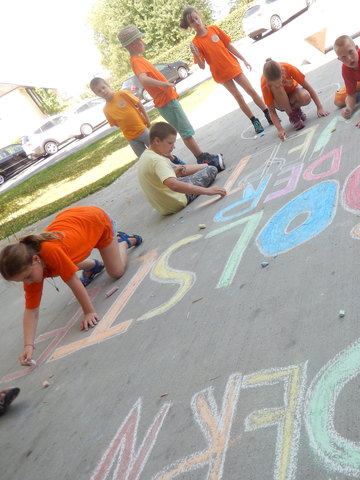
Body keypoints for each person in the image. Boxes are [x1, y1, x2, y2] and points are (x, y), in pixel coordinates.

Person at [0, 206, 143, 366]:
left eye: (27, 277)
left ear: (35, 259)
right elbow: (31, 310)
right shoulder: (32, 264)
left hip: (96, 221)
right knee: (59, 264)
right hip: (75, 225)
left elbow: (73, 281)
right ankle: (93, 266)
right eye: (22, 281)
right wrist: (28, 345)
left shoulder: (50, 251)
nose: (27, 283)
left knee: (116, 272)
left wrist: (89, 311)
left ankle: (122, 242)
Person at [117, 24, 221, 166]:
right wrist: (165, 84)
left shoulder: (139, 60)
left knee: (186, 130)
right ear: (134, 44)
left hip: (167, 100)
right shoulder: (136, 61)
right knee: (186, 131)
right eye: (141, 40)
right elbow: (143, 79)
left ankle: (201, 155)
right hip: (166, 101)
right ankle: (201, 157)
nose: (144, 43)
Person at [180, 7, 272, 134]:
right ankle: (254, 120)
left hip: (232, 66)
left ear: (200, 16)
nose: (196, 22)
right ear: (190, 26)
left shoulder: (214, 29)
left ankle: (267, 113)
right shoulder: (196, 43)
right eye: (192, 21)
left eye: (196, 18)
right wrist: (195, 55)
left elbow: (229, 45)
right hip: (221, 74)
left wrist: (243, 59)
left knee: (251, 90)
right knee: (239, 97)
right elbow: (202, 66)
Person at [137, 122, 227, 215]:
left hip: (163, 206)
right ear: (157, 141)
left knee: (197, 170)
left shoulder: (146, 155)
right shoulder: (158, 161)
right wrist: (207, 191)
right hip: (176, 201)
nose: (173, 147)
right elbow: (174, 185)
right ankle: (210, 165)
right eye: (170, 143)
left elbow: (163, 179)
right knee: (211, 170)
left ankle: (206, 165)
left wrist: (175, 174)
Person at [261, 58, 330, 140]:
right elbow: (271, 111)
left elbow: (307, 87)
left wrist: (320, 107)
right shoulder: (264, 84)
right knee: (279, 90)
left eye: (280, 82)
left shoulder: (288, 68)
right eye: (275, 84)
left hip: (293, 95)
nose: (279, 84)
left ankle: (296, 110)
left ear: (282, 73)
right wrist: (280, 129)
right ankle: (293, 116)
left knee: (305, 97)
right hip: (280, 104)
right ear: (268, 82)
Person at [89, 77, 153, 159]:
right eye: (99, 91)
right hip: (131, 138)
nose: (103, 91)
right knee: (145, 159)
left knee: (158, 151)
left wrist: (147, 119)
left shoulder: (122, 94)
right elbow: (116, 124)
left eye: (103, 87)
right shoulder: (106, 110)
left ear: (108, 85)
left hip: (142, 130)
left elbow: (139, 103)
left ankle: (172, 167)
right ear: (96, 94)